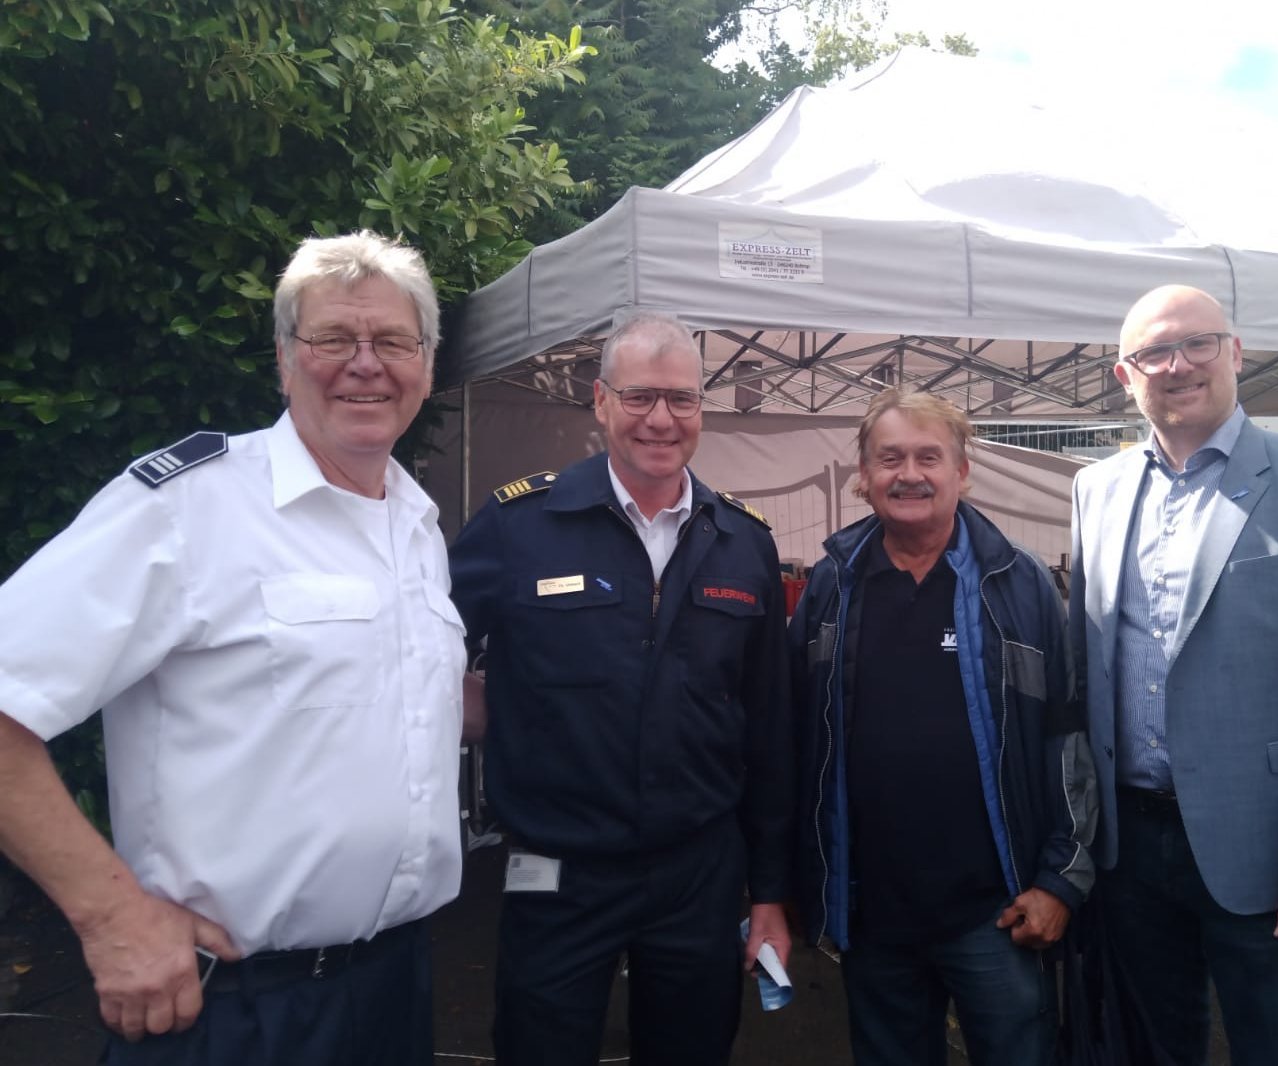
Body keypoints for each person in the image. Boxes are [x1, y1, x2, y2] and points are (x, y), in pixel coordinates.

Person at [0, 231, 472, 1065]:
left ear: (428, 365)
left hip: (395, 987)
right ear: (285, 360)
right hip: (231, 1011)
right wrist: (111, 917)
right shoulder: (188, 508)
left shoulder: (418, 526)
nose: (367, 363)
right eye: (333, 339)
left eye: (395, 341)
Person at [448, 310, 792, 1066]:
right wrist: (479, 712)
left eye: (682, 400)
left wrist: (769, 893)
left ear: (703, 408)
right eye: (639, 398)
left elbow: (768, 727)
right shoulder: (520, 526)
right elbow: (419, 650)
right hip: (557, 866)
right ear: (600, 401)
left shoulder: (742, 543)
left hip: (697, 872)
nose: (661, 420)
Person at [1068, 284, 1278, 1065]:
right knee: (1147, 1047)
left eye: (1198, 343)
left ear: (1236, 353)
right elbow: (1087, 671)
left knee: (1277, 1050)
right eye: (1153, 352)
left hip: (1267, 849)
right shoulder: (1094, 491)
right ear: (1125, 375)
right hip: (1130, 847)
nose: (1178, 365)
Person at [790, 388, 1097, 1066]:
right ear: (863, 477)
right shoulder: (830, 588)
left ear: (962, 472)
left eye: (930, 456)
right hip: (874, 917)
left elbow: (1068, 739)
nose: (910, 474)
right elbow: (796, 740)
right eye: (890, 457)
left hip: (996, 912)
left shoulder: (1019, 586)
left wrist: (1060, 882)